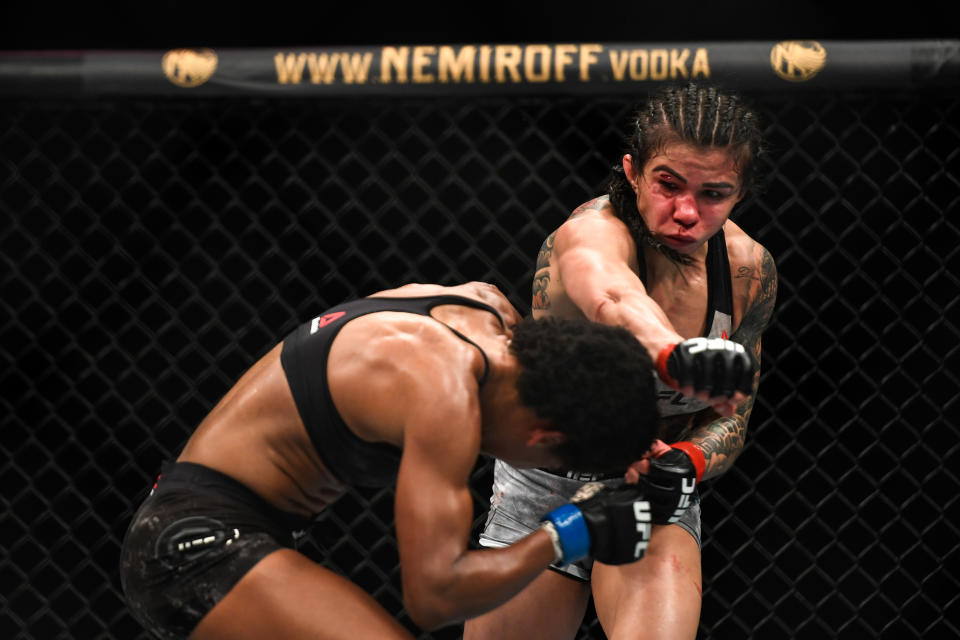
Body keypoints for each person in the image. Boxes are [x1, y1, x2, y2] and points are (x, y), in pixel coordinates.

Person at [119, 280, 678, 640]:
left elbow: (589, 374)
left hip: (229, 533)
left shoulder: (484, 310)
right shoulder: (442, 392)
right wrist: (567, 534)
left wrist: (633, 445)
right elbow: (434, 597)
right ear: (543, 437)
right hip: (191, 548)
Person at [465, 83, 778, 639]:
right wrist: (672, 353)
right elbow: (611, 297)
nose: (686, 212)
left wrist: (685, 463)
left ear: (740, 195)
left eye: (714, 194)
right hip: (543, 478)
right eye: (668, 184)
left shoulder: (749, 271)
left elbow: (734, 412)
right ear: (633, 172)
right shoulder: (589, 233)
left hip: (649, 489)